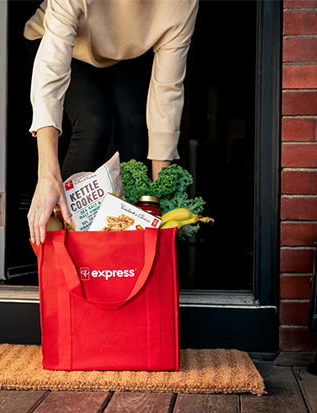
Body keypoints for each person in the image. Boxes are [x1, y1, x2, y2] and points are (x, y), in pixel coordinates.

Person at [25, 0, 199, 245]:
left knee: (136, 126)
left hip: (123, 54)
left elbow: (167, 93)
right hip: (62, 43)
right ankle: (61, 244)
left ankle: (128, 249)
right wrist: (47, 174)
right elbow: (51, 74)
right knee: (94, 123)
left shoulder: (182, 4)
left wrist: (160, 199)